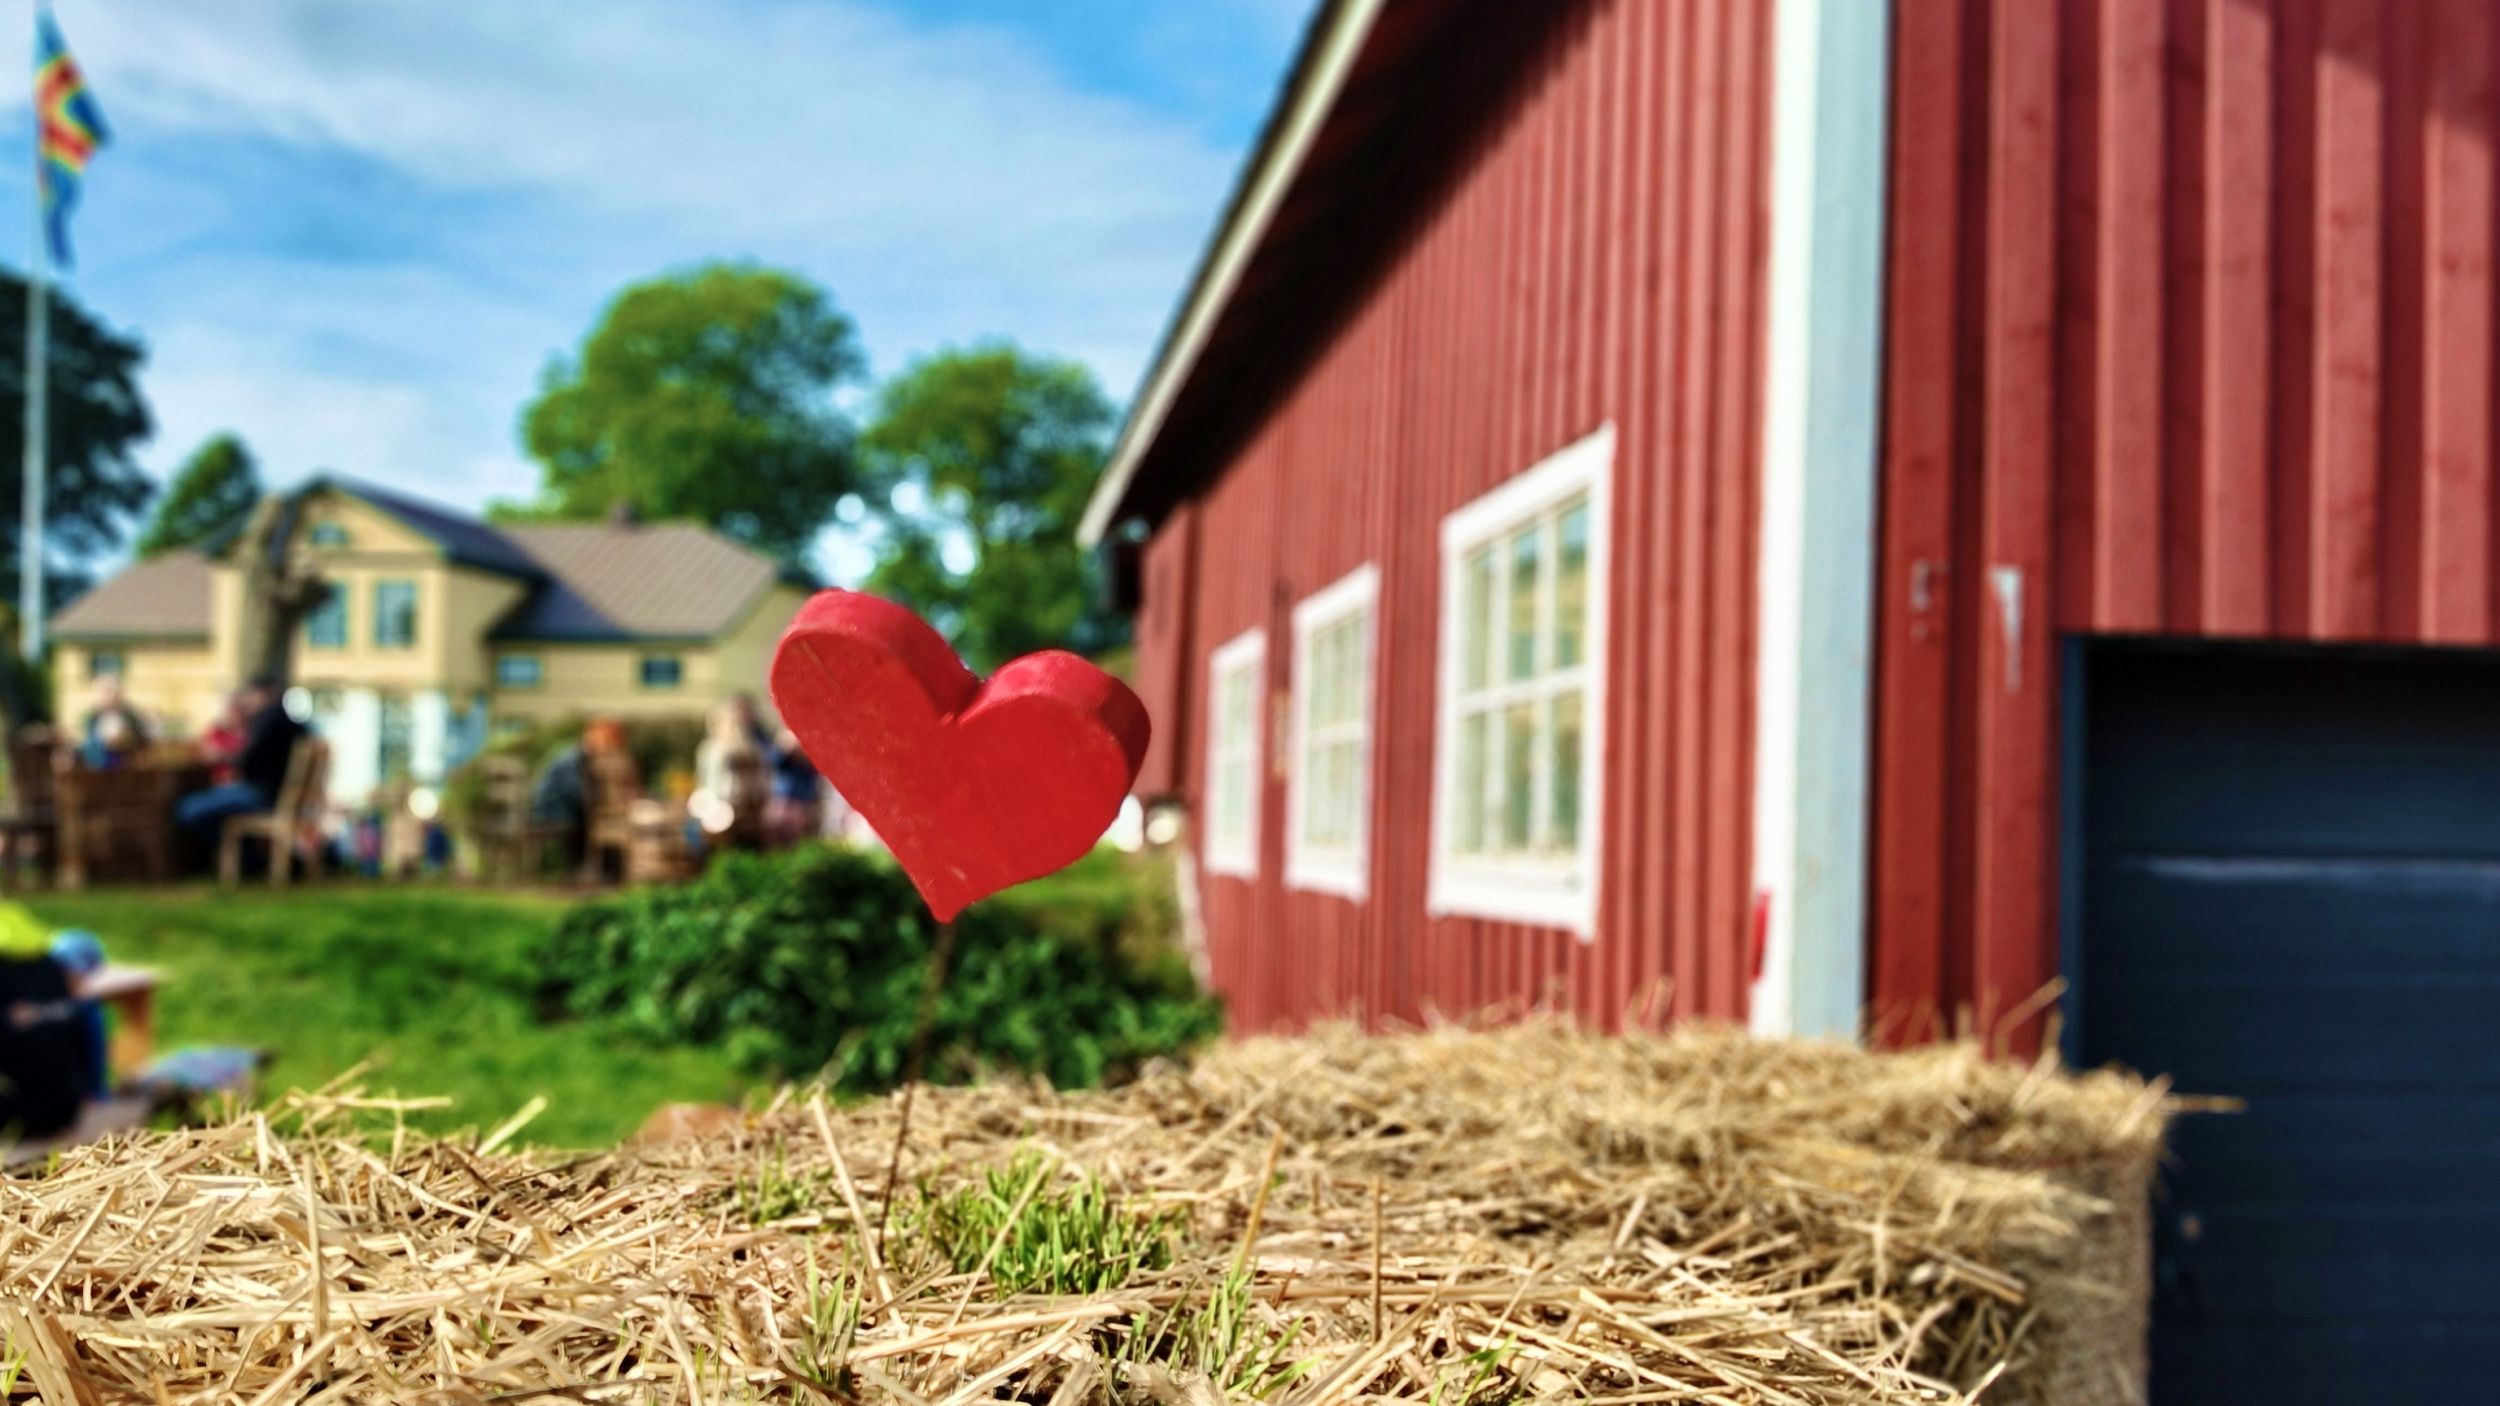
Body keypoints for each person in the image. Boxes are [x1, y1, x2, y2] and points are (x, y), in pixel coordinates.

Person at [174, 676, 307, 840]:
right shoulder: (295, 724)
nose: (249, 701)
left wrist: (222, 757)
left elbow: (247, 761)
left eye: (251, 695)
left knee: (187, 808)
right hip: (281, 795)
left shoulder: (268, 720)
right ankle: (242, 851)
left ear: (263, 694)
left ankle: (237, 852)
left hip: (265, 795)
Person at [78, 675, 151, 769]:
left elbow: (140, 736)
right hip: (98, 764)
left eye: (113, 692)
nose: (110, 696)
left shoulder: (129, 715)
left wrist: (127, 738)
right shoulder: (92, 716)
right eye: (105, 692)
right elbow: (84, 739)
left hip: (126, 761)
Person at [197, 690, 250, 785]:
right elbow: (207, 756)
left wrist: (224, 755)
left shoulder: (253, 730)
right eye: (232, 709)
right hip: (219, 782)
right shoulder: (217, 731)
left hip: (245, 782)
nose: (236, 713)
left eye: (239, 709)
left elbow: (250, 757)